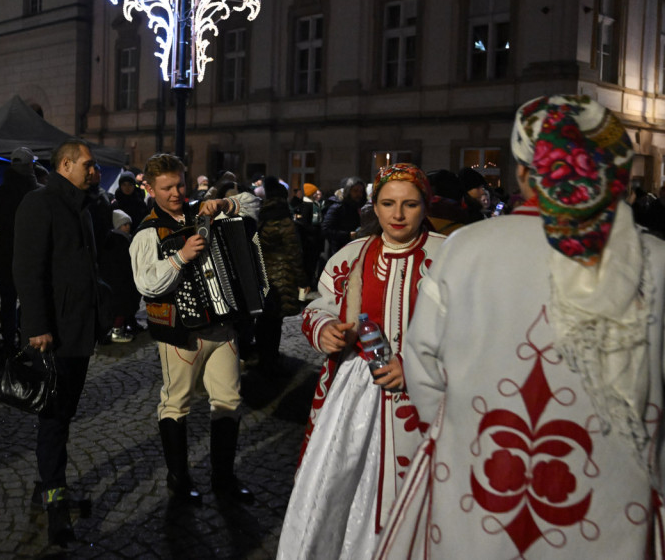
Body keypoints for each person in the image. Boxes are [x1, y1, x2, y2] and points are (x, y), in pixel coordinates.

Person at [377, 95, 665, 559]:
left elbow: (422, 364)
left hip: (481, 487)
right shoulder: (657, 262)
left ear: (524, 173)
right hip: (613, 508)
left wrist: (460, 432)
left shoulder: (465, 249)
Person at [277, 162, 446, 559]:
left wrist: (417, 365)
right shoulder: (353, 254)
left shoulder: (448, 257)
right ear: (374, 206)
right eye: (388, 204)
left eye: (409, 204)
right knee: (337, 479)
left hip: (424, 394)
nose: (398, 215)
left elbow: (469, 329)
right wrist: (326, 329)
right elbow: (320, 306)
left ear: (426, 206)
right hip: (356, 388)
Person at [130, 153, 260, 507]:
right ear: (150, 188)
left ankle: (223, 478)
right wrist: (181, 256)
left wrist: (226, 201)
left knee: (229, 401)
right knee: (176, 403)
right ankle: (179, 478)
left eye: (180, 184)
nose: (176, 192)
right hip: (180, 334)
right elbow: (147, 285)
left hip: (223, 327)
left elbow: (253, 203)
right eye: (167, 187)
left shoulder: (202, 211)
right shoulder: (147, 231)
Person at [13, 139, 102, 546]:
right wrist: (37, 325)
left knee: (62, 415)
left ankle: (49, 483)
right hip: (54, 334)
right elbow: (27, 270)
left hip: (78, 330)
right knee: (52, 419)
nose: (94, 169)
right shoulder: (41, 203)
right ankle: (54, 502)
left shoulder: (80, 204)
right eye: (88, 163)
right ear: (65, 164)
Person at [0, 147, 39, 353]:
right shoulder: (36, 192)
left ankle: (10, 344)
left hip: (5, 256)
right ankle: (29, 344)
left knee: (7, 303)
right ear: (29, 166)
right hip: (31, 257)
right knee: (31, 303)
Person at [253, 176, 305, 376]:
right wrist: (302, 280)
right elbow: (294, 252)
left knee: (264, 320)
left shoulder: (262, 215)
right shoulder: (284, 218)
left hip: (263, 274)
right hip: (282, 276)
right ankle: (270, 360)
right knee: (274, 322)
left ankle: (264, 356)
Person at [99, 209, 140, 343]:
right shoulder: (118, 240)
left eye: (128, 224)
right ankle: (116, 332)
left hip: (120, 280)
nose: (127, 227)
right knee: (121, 307)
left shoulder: (121, 238)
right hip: (120, 281)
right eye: (124, 224)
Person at [320, 176, 366, 262]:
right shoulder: (337, 207)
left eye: (361, 191)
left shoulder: (358, 207)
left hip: (353, 251)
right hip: (338, 252)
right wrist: (348, 234)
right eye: (355, 191)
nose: (359, 194)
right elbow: (325, 229)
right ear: (348, 191)